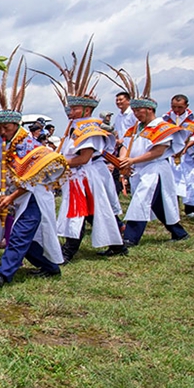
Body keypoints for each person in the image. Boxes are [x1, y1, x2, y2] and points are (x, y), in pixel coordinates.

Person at [0, 57, 68, 289]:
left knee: (20, 235)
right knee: (27, 239)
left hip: (33, 197)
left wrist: (10, 197)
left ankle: (2, 274)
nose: (2, 131)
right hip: (14, 197)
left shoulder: (29, 145)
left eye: (6, 128)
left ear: (17, 125)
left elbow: (33, 178)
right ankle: (50, 268)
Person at [39, 47, 126, 262]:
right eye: (70, 107)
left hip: (85, 175)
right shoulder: (74, 126)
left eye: (75, 108)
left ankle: (68, 251)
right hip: (77, 174)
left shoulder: (92, 128)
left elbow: (83, 158)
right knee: (93, 212)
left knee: (77, 212)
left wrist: (55, 161)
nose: (70, 111)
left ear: (87, 110)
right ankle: (117, 245)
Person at [110, 65, 190, 245]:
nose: (137, 114)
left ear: (150, 110)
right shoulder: (135, 127)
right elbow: (126, 145)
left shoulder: (162, 127)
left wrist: (132, 160)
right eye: (135, 111)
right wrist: (124, 159)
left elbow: (158, 151)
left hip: (155, 169)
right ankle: (179, 233)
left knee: (140, 201)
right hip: (140, 169)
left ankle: (130, 238)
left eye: (140, 111)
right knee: (159, 204)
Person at [163, 94, 194, 217]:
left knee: (191, 180)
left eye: (179, 107)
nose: (176, 110)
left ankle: (191, 208)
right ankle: (173, 208)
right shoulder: (165, 119)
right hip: (171, 153)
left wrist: (185, 147)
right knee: (172, 180)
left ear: (186, 106)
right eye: (174, 107)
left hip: (188, 154)